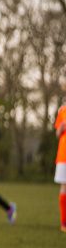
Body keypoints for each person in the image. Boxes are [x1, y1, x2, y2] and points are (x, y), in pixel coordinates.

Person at [54, 87, 66, 232]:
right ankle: (64, 222)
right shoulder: (62, 110)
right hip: (63, 155)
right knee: (64, 186)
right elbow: (57, 133)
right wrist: (61, 128)